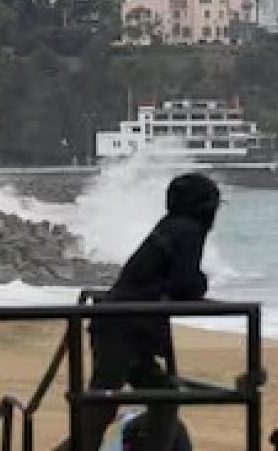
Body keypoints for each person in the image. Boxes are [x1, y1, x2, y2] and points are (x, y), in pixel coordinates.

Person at [77, 173, 220, 451]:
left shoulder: (171, 226)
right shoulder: (189, 230)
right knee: (103, 405)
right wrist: (200, 282)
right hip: (125, 325)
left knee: (162, 396)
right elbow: (184, 284)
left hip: (126, 322)